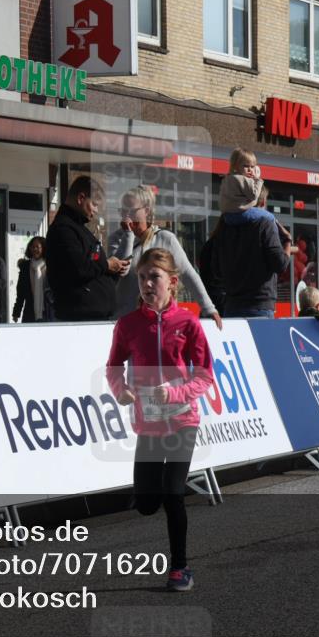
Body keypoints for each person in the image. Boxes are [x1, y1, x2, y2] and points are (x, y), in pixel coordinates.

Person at [106, 248, 214, 592]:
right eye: (142, 278)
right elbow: (113, 366)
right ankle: (149, 496)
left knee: (173, 492)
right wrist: (120, 389)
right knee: (148, 504)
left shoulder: (188, 324)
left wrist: (177, 393)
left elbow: (205, 375)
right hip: (149, 423)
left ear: (172, 282)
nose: (147, 284)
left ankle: (180, 568)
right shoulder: (127, 325)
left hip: (184, 420)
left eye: (154, 277)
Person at [108, 185, 222, 328]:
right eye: (123, 210)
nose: (126, 216)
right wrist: (128, 236)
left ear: (146, 211)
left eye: (131, 210)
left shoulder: (165, 238)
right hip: (125, 321)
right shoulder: (116, 239)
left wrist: (209, 308)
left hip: (158, 322)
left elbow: (188, 274)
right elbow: (122, 271)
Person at [46, 176, 129, 321]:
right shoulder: (64, 229)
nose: (96, 210)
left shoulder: (77, 228)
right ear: (81, 198)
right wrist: (107, 264)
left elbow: (92, 268)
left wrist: (113, 271)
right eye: (94, 204)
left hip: (91, 316)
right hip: (79, 319)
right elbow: (79, 268)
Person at [211, 164, 287, 318]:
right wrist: (287, 242)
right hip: (259, 305)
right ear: (262, 203)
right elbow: (280, 264)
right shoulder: (265, 222)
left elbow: (216, 269)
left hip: (231, 305)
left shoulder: (225, 224)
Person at [12, 236, 50, 323]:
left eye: (37, 247)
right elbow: (20, 292)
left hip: (47, 311)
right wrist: (16, 312)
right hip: (29, 312)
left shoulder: (50, 265)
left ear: (43, 248)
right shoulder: (25, 266)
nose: (34, 249)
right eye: (32, 247)